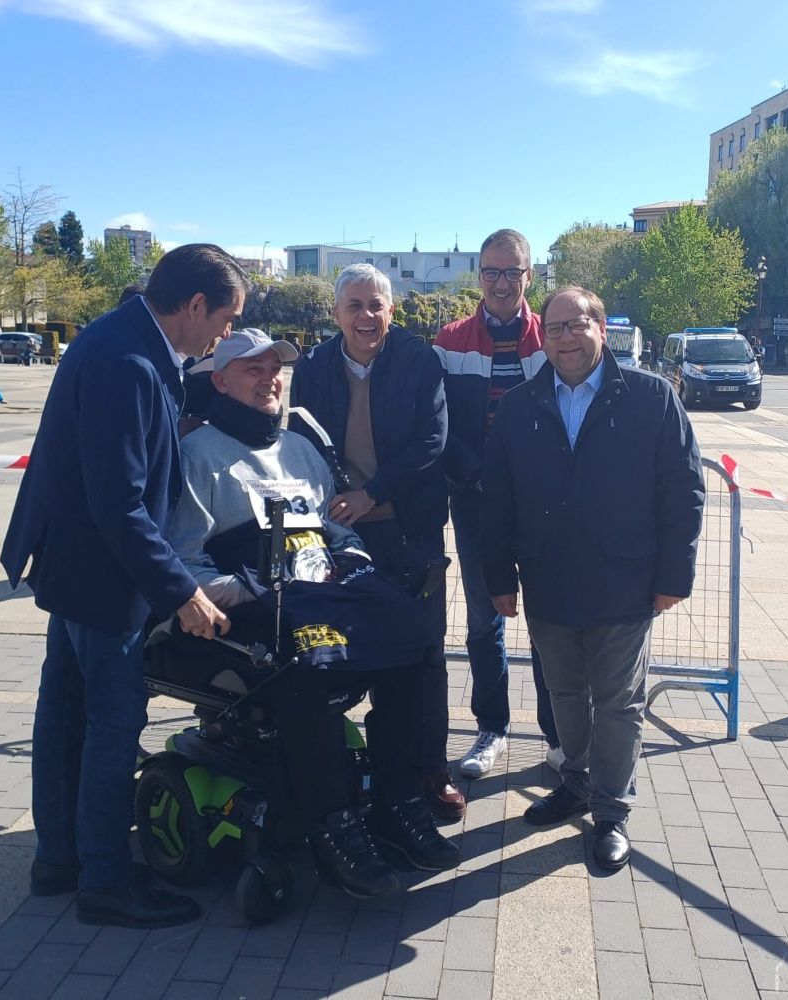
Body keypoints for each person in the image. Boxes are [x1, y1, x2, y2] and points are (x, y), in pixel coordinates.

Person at [0, 244, 247, 929]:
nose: (222, 337)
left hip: (73, 568)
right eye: (224, 321)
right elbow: (121, 505)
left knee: (64, 718)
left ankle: (59, 860)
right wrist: (181, 592)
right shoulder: (130, 362)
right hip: (105, 581)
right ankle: (105, 880)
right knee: (112, 726)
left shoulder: (120, 338)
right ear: (194, 305)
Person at [165, 328, 458, 897]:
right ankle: (332, 823)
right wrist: (255, 588)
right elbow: (184, 565)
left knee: (413, 643)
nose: (270, 378)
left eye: (275, 368)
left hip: (317, 594)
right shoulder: (197, 456)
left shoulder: (300, 449)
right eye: (253, 369)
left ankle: (396, 800)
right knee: (309, 665)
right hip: (251, 609)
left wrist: (347, 558)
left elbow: (338, 529)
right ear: (220, 381)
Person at [483, 285, 704, 873]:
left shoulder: (651, 398)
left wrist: (674, 573)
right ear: (543, 338)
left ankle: (610, 812)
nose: (565, 338)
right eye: (553, 329)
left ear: (601, 329)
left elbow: (684, 491)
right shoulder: (520, 405)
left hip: (624, 582)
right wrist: (498, 577)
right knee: (563, 697)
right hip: (549, 583)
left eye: (576, 325)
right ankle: (575, 782)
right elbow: (496, 499)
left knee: (618, 703)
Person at [290, 264, 461, 822]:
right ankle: (346, 774)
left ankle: (429, 772)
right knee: (337, 651)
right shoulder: (313, 366)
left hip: (407, 530)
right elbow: (301, 440)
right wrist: (340, 503)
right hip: (340, 533)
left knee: (422, 654)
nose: (367, 317)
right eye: (355, 306)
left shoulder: (418, 359)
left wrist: (374, 493)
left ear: (393, 310)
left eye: (376, 306)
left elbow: (432, 439)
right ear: (336, 313)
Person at [433, 230, 560, 779]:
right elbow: (436, 426)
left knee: (551, 621)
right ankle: (492, 730)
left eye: (513, 272)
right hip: (477, 504)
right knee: (486, 620)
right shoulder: (451, 340)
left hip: (546, 507)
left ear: (530, 276)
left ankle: (559, 736)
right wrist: (476, 475)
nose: (502, 283)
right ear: (478, 276)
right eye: (492, 272)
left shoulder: (553, 338)